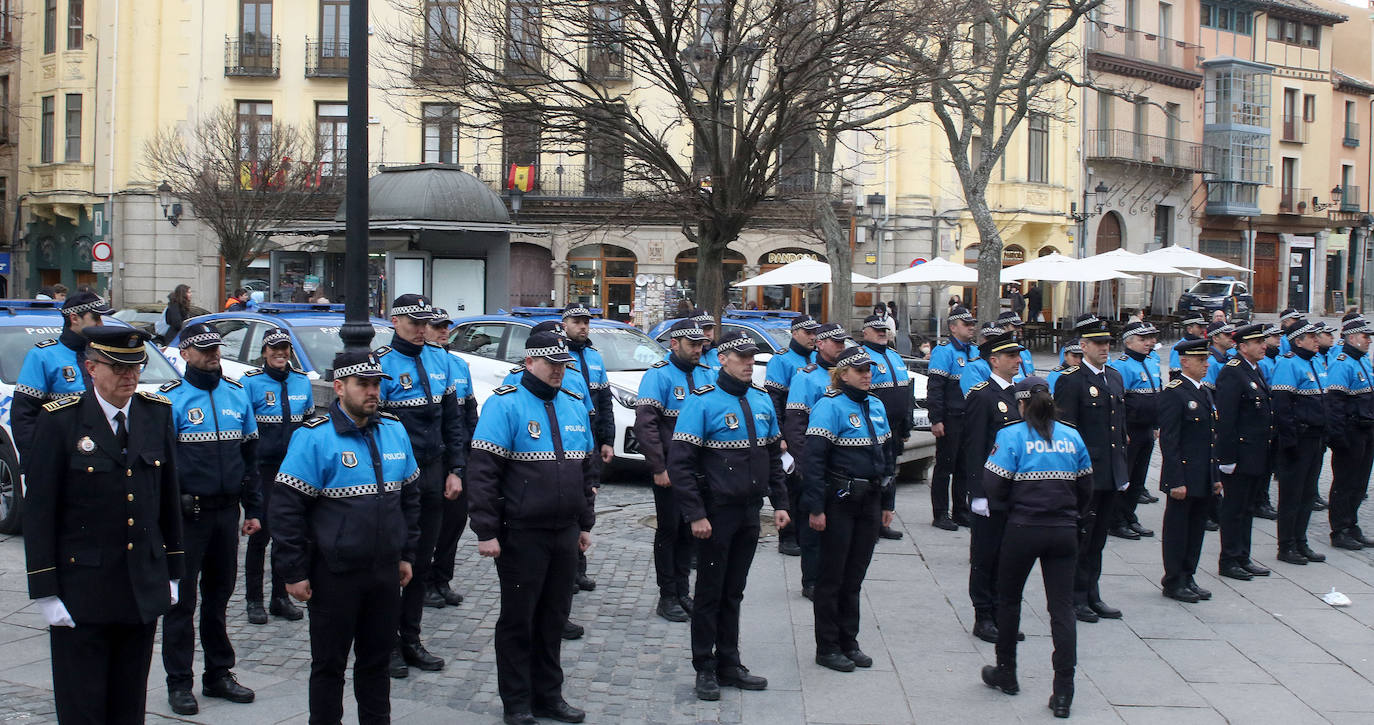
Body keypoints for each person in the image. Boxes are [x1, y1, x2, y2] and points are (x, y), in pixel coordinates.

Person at [23, 326, 182, 724]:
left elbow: (167, 499)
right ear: (91, 368)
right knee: (83, 708)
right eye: (118, 367)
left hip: (139, 588)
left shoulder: (155, 413)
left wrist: (173, 573)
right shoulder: (61, 422)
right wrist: (45, 591)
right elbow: (40, 508)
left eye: (136, 366)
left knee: (128, 707)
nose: (130, 376)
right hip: (82, 591)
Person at [271, 351, 422, 725]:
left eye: (376, 384)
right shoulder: (313, 438)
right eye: (363, 384)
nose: (372, 392)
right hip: (334, 574)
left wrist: (406, 554)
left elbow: (411, 499)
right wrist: (293, 572)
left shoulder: (394, 430)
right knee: (329, 666)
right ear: (339, 388)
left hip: (383, 572)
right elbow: (287, 510)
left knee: (376, 663)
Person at [468, 330, 596, 725]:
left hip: (563, 530)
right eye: (550, 364)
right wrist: (486, 530)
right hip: (520, 532)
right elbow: (483, 473)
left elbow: (586, 470)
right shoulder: (504, 406)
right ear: (529, 363)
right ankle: (517, 701)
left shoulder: (573, 405)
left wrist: (585, 523)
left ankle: (549, 695)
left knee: (554, 617)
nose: (558, 371)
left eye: (562, 365)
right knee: (519, 620)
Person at [669, 331, 790, 702]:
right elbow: (681, 463)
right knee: (709, 592)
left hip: (749, 510)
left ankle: (730, 662)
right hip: (716, 512)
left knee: (734, 592)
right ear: (722, 359)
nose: (749, 363)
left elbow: (772, 458)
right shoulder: (702, 402)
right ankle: (704, 667)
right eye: (741, 357)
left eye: (752, 357)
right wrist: (695, 514)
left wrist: (781, 503)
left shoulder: (761, 398)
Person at [160, 322, 261, 715]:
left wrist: (253, 509)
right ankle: (179, 682)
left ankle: (219, 674)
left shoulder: (237, 396)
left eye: (216, 349)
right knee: (181, 604)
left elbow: (250, 459)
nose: (212, 356)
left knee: (218, 599)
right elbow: (161, 466)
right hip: (188, 517)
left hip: (224, 514)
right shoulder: (171, 401)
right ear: (185, 353)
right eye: (203, 351)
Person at [979, 376, 1091, 719]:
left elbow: (993, 486)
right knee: (1062, 609)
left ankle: (1007, 672)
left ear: (1021, 404)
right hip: (1063, 530)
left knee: (1009, 600)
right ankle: (1063, 691)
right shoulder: (1072, 436)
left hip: (1023, 528)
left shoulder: (1011, 435)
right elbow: (1086, 489)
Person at [375, 294, 468, 678]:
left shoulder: (440, 359)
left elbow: (453, 422)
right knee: (389, 561)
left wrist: (456, 469)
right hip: (395, 477)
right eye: (413, 322)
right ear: (395, 321)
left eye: (424, 323)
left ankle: (411, 638)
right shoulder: (382, 365)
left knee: (420, 559)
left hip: (432, 471)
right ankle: (385, 644)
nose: (420, 329)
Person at [802, 345, 895, 673]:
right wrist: (815, 507)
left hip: (869, 500)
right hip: (839, 500)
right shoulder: (829, 407)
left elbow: (886, 456)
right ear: (842, 374)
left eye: (868, 369)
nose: (867, 374)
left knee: (855, 576)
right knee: (832, 578)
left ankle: (848, 640)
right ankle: (827, 646)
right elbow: (812, 460)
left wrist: (888, 502)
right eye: (859, 370)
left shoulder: (876, 405)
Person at [634, 320, 712, 622]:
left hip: (699, 470)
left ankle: (682, 591)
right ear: (674, 344)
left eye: (700, 344)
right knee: (670, 531)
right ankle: (667, 595)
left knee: (690, 534)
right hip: (671, 469)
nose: (698, 349)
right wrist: (658, 466)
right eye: (692, 344)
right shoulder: (659, 375)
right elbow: (646, 425)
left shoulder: (706, 374)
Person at [1052, 314, 1127, 624]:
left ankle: (1092, 593)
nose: (1104, 348)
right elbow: (1066, 431)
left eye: (1107, 342)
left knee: (1098, 539)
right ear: (1083, 346)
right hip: (1085, 473)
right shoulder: (1072, 380)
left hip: (1110, 471)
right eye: (1098, 343)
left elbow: (1118, 427)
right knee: (1081, 537)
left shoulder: (1114, 377)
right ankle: (1075, 597)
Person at [239, 327, 314, 625]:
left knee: (289, 534)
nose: (280, 354)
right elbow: (245, 430)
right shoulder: (251, 383)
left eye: (284, 348)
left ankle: (279, 598)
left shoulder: (301, 382)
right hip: (262, 469)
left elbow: (308, 424)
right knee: (261, 536)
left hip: (292, 470)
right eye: (274, 349)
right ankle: (253, 600)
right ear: (264, 352)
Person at [963, 330, 1027, 644]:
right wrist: (976, 492)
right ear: (994, 360)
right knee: (985, 555)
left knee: (1009, 556)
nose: (1018, 361)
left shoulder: (1019, 394)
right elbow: (974, 447)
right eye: (1012, 356)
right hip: (990, 490)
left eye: (1018, 355)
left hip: (1015, 490)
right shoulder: (982, 395)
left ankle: (1004, 614)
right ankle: (984, 616)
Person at [784, 323, 851, 598]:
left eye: (842, 342)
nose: (840, 346)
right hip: (815, 461)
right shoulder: (807, 377)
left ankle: (833, 576)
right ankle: (810, 579)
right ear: (820, 344)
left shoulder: (848, 375)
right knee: (811, 526)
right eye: (835, 342)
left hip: (842, 463)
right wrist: (804, 463)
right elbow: (796, 425)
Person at [12, 292, 115, 464]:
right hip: (58, 458)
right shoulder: (43, 356)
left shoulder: (104, 354)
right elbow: (23, 416)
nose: (101, 324)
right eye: (96, 318)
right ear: (74, 318)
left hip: (100, 458)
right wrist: (36, 460)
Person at [1158, 339, 1223, 603]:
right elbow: (1169, 440)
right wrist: (1175, 480)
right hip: (1183, 475)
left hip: (1203, 474)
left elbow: (1211, 438)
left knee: (1196, 528)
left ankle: (1188, 574)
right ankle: (1173, 579)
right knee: (1178, 529)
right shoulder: (1174, 393)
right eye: (1200, 360)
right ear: (1184, 361)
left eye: (1206, 360)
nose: (1206, 364)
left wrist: (1215, 476)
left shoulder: (1204, 391)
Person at [425, 308, 480, 610]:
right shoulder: (422, 364)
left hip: (458, 454)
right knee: (430, 523)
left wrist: (469, 449)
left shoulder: (459, 364)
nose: (443, 332)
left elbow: (469, 411)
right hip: (432, 454)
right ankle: (424, 582)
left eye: (446, 327)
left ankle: (442, 578)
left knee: (455, 520)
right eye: (437, 327)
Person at [563, 305, 618, 594]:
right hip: (568, 440)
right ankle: (567, 570)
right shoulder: (559, 355)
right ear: (564, 323)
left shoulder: (594, 357)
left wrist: (607, 439)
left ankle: (579, 566)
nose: (583, 327)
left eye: (586, 322)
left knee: (588, 503)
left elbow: (605, 402)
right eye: (577, 321)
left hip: (591, 441)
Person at [1215, 323, 1274, 581]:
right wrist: (1226, 459)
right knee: (1234, 509)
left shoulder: (1255, 369)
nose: (1263, 346)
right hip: (1239, 454)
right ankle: (1229, 559)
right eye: (1257, 342)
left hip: (1256, 452)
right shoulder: (1233, 372)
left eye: (1263, 341)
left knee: (1247, 508)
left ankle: (1243, 556)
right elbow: (1226, 419)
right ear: (1242, 346)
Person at [1270, 318, 1330, 565]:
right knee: (1291, 494)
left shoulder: (1315, 362)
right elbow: (1282, 408)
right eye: (1312, 337)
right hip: (1298, 438)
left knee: (1307, 493)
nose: (1317, 341)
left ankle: (1301, 540)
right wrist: (1290, 441)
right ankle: (1286, 545)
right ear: (1298, 341)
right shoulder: (1289, 364)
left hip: (1315, 437)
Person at [763, 315, 819, 557]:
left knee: (809, 485)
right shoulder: (782, 360)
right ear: (795, 333)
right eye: (807, 332)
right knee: (789, 486)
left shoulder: (818, 358)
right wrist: (779, 435)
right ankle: (787, 537)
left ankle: (806, 533)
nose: (813, 336)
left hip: (813, 429)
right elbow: (774, 400)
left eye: (815, 332)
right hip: (789, 430)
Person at [1108, 321, 1162, 542]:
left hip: (1147, 428)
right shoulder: (1122, 365)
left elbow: (1157, 395)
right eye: (1143, 339)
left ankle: (1130, 516)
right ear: (1128, 341)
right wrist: (1122, 430)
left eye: (1150, 338)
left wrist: (1157, 424)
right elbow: (1118, 402)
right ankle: (1116, 520)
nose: (1149, 343)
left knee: (1139, 477)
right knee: (1126, 476)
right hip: (1131, 428)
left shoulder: (1151, 362)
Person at [926, 305, 979, 531]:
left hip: (969, 417)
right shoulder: (944, 351)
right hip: (951, 417)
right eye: (966, 325)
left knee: (964, 467)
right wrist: (936, 419)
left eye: (972, 325)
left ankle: (960, 510)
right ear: (953, 327)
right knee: (945, 466)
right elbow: (935, 388)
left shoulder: (973, 351)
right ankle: (940, 513)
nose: (971, 328)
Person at [859, 315, 912, 541]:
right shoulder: (862, 358)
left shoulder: (894, 355)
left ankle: (884, 520)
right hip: (874, 428)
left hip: (895, 427)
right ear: (865, 332)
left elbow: (906, 391)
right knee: (875, 472)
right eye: (876, 329)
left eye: (884, 329)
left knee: (890, 473)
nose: (882, 332)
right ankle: (869, 522)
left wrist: (907, 425)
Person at [1324, 317, 1374, 550]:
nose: (1369, 341)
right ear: (1352, 338)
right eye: (1365, 337)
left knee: (1359, 483)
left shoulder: (1362, 360)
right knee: (1345, 482)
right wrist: (1338, 437)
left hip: (1366, 430)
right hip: (1351, 431)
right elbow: (1335, 405)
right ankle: (1340, 529)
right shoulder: (1342, 363)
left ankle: (1351, 524)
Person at [1201, 321, 1236, 388]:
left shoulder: (1229, 357)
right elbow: (1209, 391)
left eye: (1231, 334)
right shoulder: (1210, 362)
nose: (1231, 337)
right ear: (1215, 338)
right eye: (1227, 334)